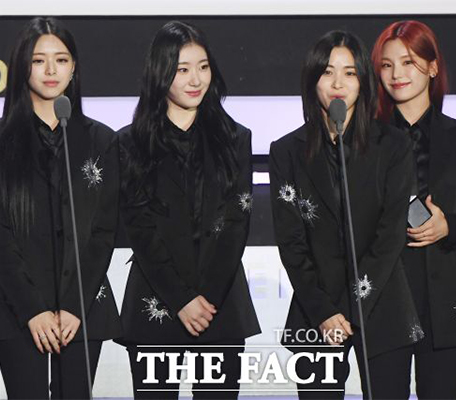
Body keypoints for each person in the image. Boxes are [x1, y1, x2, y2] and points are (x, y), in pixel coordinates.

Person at [0, 17, 121, 399]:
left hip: (83, 306)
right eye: (39, 60)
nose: (51, 70)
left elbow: (103, 231)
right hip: (17, 307)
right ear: (22, 66)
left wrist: (74, 307)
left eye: (61, 59)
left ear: (74, 68)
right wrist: (33, 310)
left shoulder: (101, 140)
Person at [269, 30, 422, 399]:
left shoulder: (394, 145)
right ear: (312, 81)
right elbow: (291, 241)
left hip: (381, 306)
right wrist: (324, 312)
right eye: (327, 72)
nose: (338, 83)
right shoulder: (287, 151)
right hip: (316, 311)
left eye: (350, 73)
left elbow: (390, 235)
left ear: (363, 81)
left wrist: (354, 307)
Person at [116, 20, 260, 399]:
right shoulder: (130, 144)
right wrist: (181, 299)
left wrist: (205, 299)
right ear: (160, 73)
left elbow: (237, 222)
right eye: (182, 70)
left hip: (220, 305)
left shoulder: (235, 139)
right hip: (156, 302)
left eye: (203, 67)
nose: (196, 79)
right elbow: (140, 228)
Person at [370, 20, 456, 399]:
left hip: (444, 297)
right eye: (387, 64)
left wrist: (448, 226)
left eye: (408, 62)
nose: (397, 74)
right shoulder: (363, 140)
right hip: (382, 294)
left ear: (432, 67)